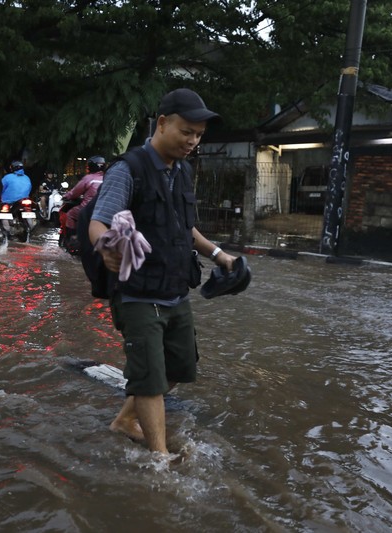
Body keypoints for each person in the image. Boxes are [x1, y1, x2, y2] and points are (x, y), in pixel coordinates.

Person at [88, 88, 238, 455]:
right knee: (150, 380)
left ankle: (125, 419)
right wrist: (107, 246)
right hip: (137, 294)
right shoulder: (129, 169)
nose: (192, 141)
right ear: (162, 123)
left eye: (199, 135)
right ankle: (160, 459)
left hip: (174, 290)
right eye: (186, 131)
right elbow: (99, 222)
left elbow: (183, 228)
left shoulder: (183, 172)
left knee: (180, 366)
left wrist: (219, 255)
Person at [62, 155, 105, 238]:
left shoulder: (88, 178)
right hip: (103, 209)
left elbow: (75, 192)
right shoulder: (107, 178)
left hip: (88, 208)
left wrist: (66, 196)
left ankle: (72, 238)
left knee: (70, 214)